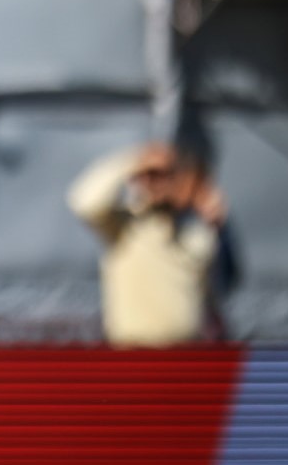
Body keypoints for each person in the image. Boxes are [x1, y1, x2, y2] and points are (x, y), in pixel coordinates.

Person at [67, 141, 237, 346]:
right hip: (133, 352)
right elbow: (84, 201)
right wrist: (132, 161)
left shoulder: (196, 231)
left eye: (164, 175)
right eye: (147, 175)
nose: (154, 182)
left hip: (187, 352)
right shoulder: (123, 224)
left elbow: (221, 286)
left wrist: (220, 227)